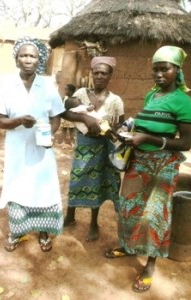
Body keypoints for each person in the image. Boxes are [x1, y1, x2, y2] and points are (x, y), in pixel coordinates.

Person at [105, 46, 191, 293]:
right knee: (130, 207)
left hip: (162, 165)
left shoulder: (183, 101)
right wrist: (126, 133)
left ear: (177, 70)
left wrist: (149, 139)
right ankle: (128, 246)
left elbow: (185, 142)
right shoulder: (151, 96)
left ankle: (150, 264)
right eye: (155, 69)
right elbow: (144, 127)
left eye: (164, 69)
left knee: (155, 214)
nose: (158, 74)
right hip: (138, 161)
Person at [0, 36, 65, 252]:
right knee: (17, 186)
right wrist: (20, 120)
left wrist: (50, 134)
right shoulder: (7, 85)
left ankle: (43, 232)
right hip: (17, 147)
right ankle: (17, 231)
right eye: (23, 55)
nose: (28, 59)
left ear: (38, 59)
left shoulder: (48, 85)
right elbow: (1, 121)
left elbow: (56, 116)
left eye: (32, 55)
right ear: (17, 59)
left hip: (42, 148)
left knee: (43, 186)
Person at [64, 56, 125, 241]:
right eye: (96, 72)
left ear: (110, 76)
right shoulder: (82, 93)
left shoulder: (116, 101)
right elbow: (66, 111)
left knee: (97, 183)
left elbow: (120, 126)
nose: (99, 76)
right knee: (76, 179)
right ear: (92, 74)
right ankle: (70, 215)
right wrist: (85, 118)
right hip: (84, 145)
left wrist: (110, 131)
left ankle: (93, 224)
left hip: (103, 147)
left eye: (103, 73)